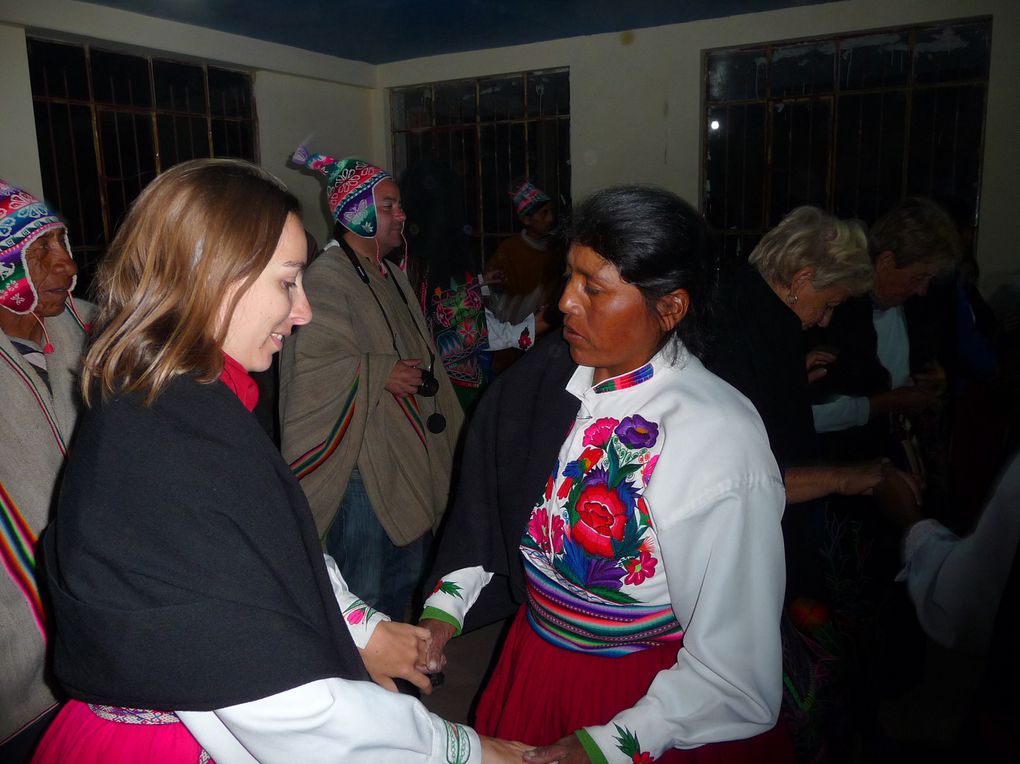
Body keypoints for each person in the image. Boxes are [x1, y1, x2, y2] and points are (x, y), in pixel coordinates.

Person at [31, 159, 527, 763]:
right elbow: (288, 705)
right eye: (288, 281)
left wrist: (363, 629)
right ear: (209, 274)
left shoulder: (180, 399)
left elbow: (258, 551)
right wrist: (463, 750)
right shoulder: (170, 443)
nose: (304, 311)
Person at [421, 186, 794, 763]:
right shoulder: (546, 379)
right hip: (534, 663)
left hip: (639, 698)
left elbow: (735, 662)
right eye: (569, 276)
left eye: (593, 288)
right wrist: (445, 614)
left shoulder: (714, 435)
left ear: (669, 308)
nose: (565, 301)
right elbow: (484, 508)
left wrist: (610, 744)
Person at [702, 206, 922, 760]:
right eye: (829, 303)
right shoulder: (741, 325)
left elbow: (753, 407)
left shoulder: (755, 309)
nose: (826, 320)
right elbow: (739, 475)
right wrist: (842, 478)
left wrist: (788, 383)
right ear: (802, 278)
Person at [281, 148, 463, 620]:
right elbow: (310, 366)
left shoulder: (392, 274)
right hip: (360, 465)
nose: (401, 214)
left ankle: (396, 670)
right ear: (355, 213)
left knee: (405, 579)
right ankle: (361, 680)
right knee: (363, 592)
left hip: (404, 448)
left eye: (399, 205)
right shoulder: (325, 279)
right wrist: (378, 371)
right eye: (388, 207)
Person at [0, 180, 92, 760]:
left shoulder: (94, 329)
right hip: (14, 617)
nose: (67, 263)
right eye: (41, 251)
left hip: (102, 594)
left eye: (62, 241)